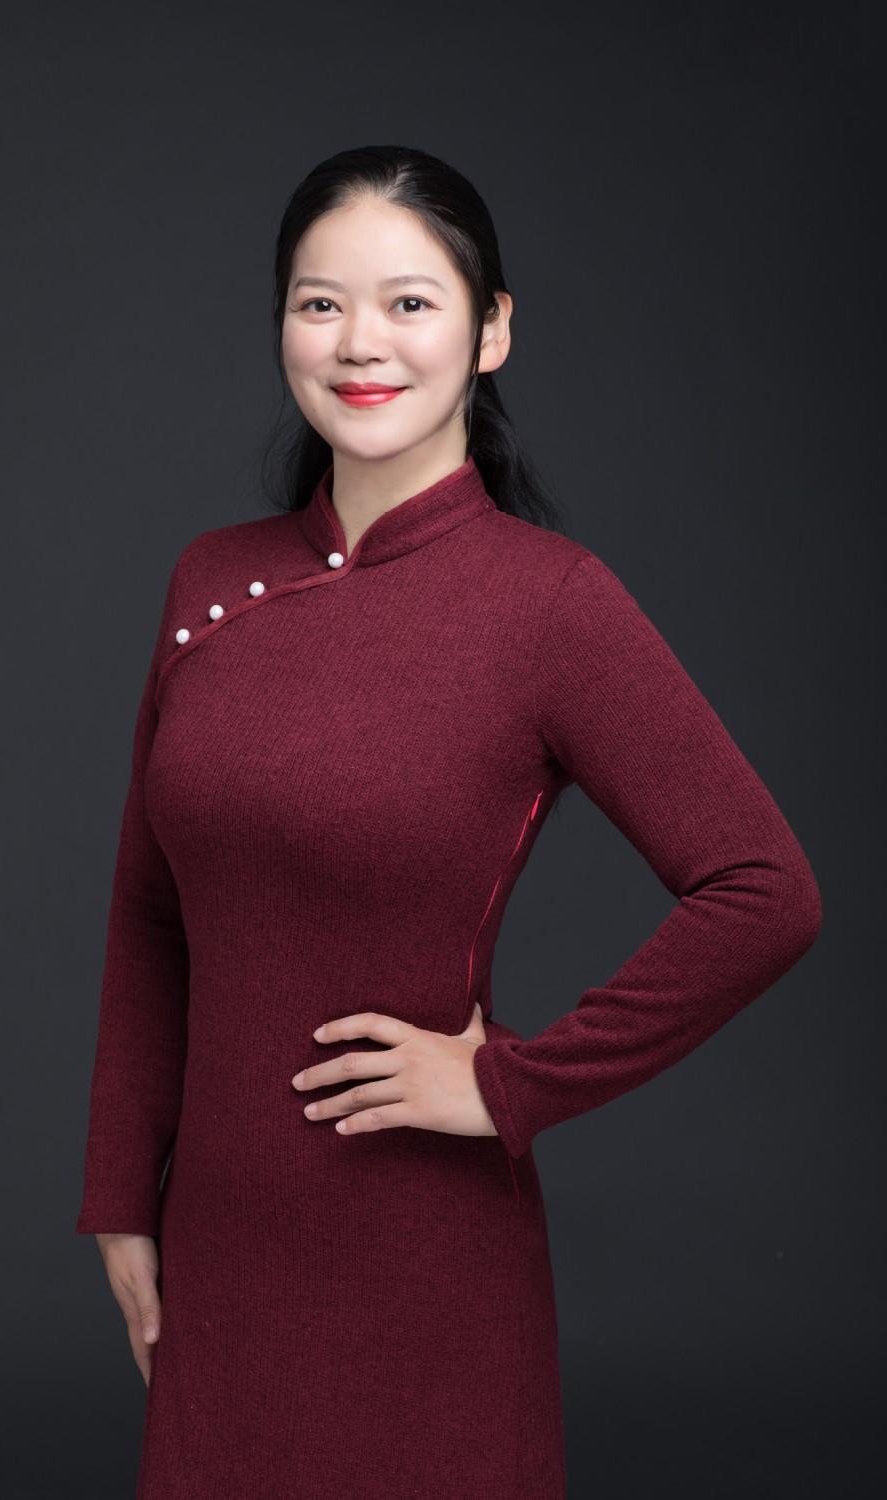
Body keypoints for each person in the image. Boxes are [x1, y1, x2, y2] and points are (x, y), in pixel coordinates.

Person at [75, 144, 822, 1499]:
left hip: (424, 1262)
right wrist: (124, 1196)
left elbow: (765, 889)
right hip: (224, 1251)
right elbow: (151, 910)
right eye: (320, 303)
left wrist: (509, 1083)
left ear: (492, 331)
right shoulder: (212, 581)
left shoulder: (550, 603)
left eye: (409, 303)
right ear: (282, 325)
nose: (360, 342)